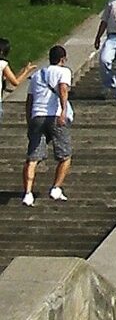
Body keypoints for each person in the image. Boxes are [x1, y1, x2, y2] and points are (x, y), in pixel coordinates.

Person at [21, 45, 73, 205]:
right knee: (65, 156)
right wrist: (63, 111)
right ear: (63, 59)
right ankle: (56, 188)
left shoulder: (37, 75)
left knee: (33, 157)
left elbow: (29, 101)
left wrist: (29, 121)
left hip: (37, 116)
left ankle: (28, 193)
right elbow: (63, 89)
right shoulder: (64, 72)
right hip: (55, 116)